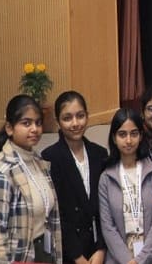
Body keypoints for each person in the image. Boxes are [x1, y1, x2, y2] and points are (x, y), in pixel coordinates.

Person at [0, 94, 63, 264]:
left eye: (38, 123)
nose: (34, 129)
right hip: (19, 258)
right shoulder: (0, 172)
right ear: (9, 128)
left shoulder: (38, 162)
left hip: (43, 253)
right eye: (26, 123)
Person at [98, 108, 152, 264]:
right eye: (122, 134)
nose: (129, 140)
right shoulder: (106, 178)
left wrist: (141, 260)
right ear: (114, 137)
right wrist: (128, 261)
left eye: (134, 133)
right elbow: (107, 226)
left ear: (141, 136)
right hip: (119, 258)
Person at [44, 91, 108, 264]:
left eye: (80, 116)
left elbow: (104, 206)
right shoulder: (50, 157)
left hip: (97, 250)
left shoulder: (99, 153)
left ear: (87, 116)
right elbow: (56, 212)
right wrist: (77, 257)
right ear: (58, 121)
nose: (75, 123)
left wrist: (102, 248)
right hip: (69, 252)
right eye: (67, 118)